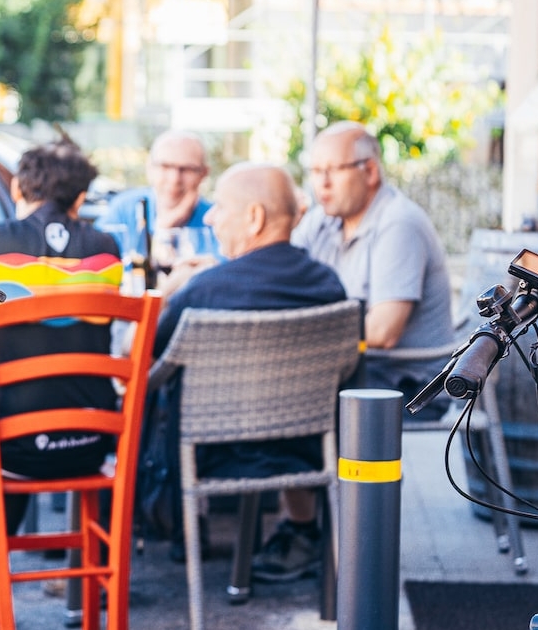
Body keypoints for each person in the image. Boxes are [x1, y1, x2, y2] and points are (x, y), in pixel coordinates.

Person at [0, 139, 122, 628]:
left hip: (10, 451)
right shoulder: (107, 251)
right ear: (80, 199)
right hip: (90, 446)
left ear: (17, 187)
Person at [153, 161, 347, 583]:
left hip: (213, 453)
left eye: (220, 206)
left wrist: (165, 296)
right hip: (310, 449)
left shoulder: (205, 291)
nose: (209, 216)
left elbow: (151, 359)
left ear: (255, 217)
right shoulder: (330, 286)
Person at [292, 121, 452, 420]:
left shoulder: (398, 223)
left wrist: (300, 334)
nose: (322, 183)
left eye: (334, 169)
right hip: (354, 374)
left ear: (370, 172)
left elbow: (382, 332)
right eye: (315, 171)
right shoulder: (321, 221)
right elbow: (284, 277)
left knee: (288, 408)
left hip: (406, 386)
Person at [95, 129, 218, 275]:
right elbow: (96, 264)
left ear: (204, 173)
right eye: (165, 167)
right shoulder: (124, 208)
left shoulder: (216, 219)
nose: (174, 179)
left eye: (186, 170)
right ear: (150, 168)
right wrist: (164, 227)